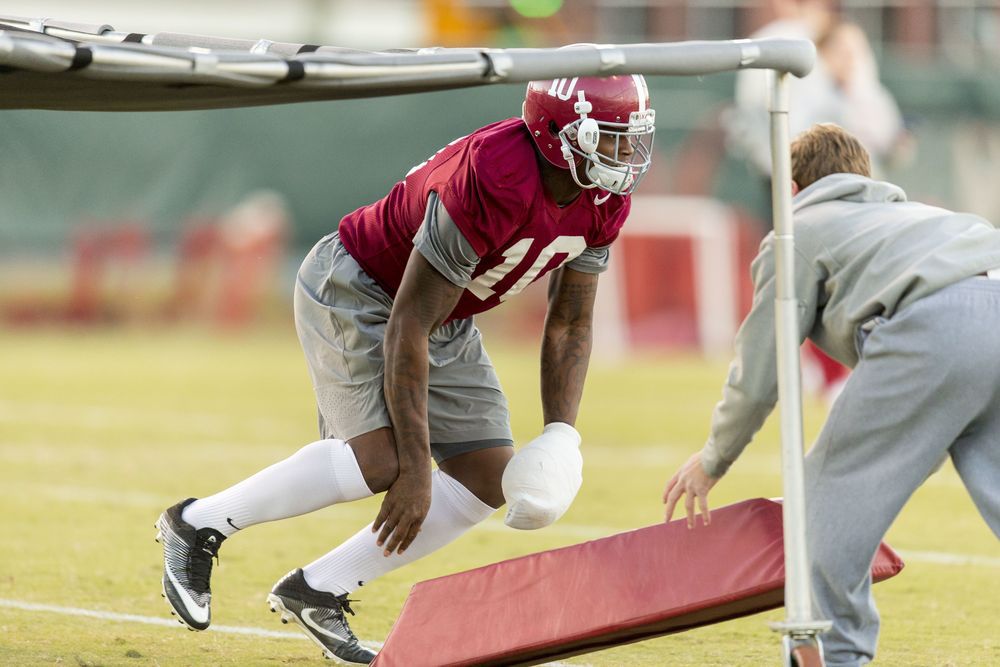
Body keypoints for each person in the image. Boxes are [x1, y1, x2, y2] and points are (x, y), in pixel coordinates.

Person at [155, 74, 656, 664]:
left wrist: (561, 433)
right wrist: (417, 467)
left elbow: (571, 320)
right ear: (554, 133)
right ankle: (197, 523)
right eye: (609, 138)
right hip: (360, 285)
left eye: (631, 139)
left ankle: (319, 589)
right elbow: (407, 324)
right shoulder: (497, 175)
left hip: (440, 313)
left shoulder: (604, 198)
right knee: (383, 462)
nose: (624, 157)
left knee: (486, 474)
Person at [663, 123, 1000, 666]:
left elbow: (760, 369)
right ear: (864, 177)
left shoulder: (798, 231)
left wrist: (714, 458)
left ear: (792, 187)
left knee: (819, 498)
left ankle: (833, 655)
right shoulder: (918, 215)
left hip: (931, 326)